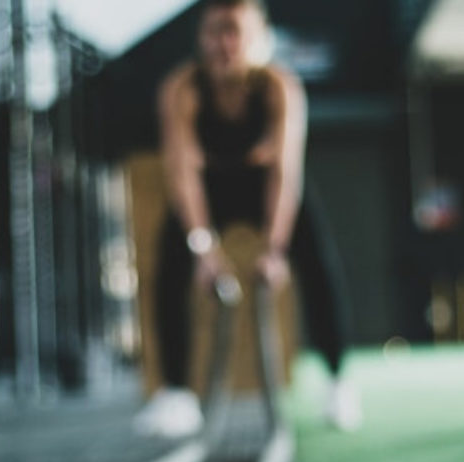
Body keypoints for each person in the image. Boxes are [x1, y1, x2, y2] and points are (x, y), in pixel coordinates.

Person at [134, 0, 361, 437]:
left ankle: (338, 382)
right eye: (214, 32)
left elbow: (284, 172)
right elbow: (182, 174)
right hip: (211, 188)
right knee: (170, 258)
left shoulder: (279, 87)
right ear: (201, 39)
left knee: (316, 260)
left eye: (234, 31)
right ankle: (177, 395)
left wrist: (275, 251)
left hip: (264, 187)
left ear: (258, 38)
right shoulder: (183, 89)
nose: (224, 44)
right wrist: (204, 248)